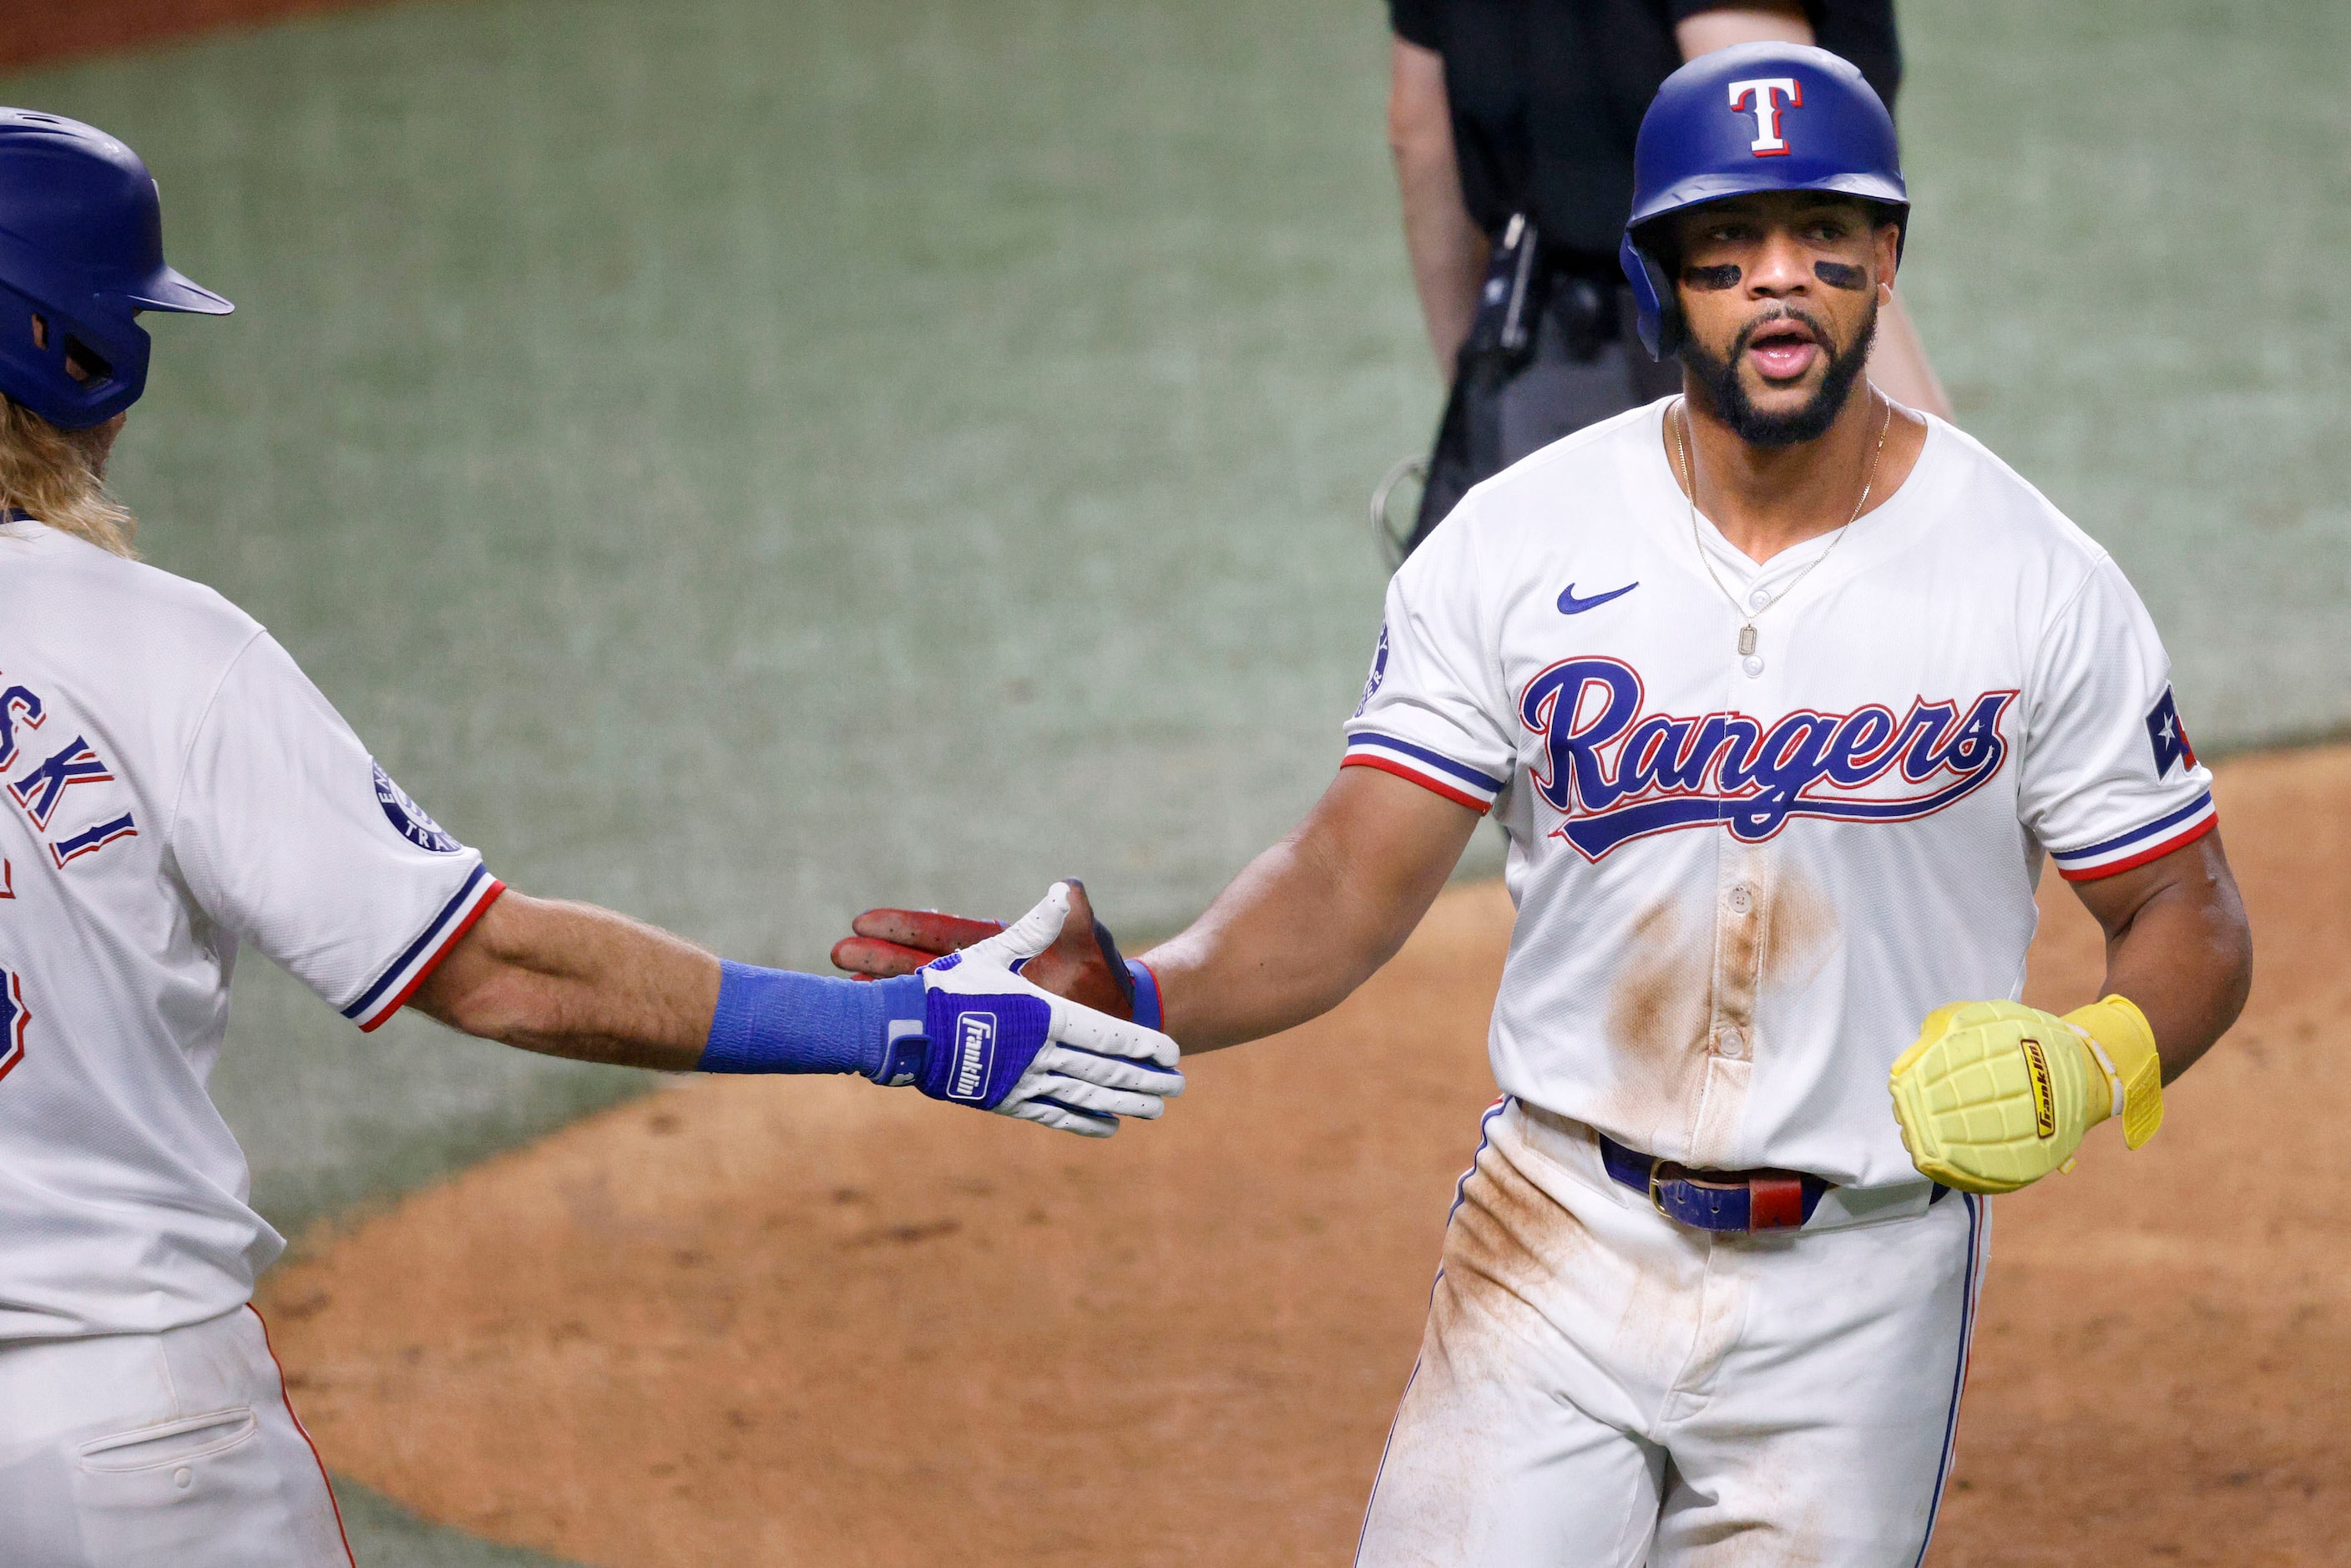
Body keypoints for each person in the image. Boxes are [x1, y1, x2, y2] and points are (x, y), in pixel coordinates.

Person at [838, 43, 2253, 1564]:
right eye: (1728, 247)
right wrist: (1144, 988)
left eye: (1823, 239)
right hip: (1557, 1241)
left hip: (1865, 1283)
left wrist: (2096, 1057)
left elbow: (2188, 907)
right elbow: (1344, 877)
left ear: (1885, 258)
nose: (1780, 284)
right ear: (1659, 277)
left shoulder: (2034, 576)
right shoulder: (1515, 543)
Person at [0, 109, 1181, 1568]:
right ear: (68, 354)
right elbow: (493, 969)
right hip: (122, 1436)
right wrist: (901, 1028)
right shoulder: (160, 649)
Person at [1382, 0, 1951, 555]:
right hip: (1705, 356)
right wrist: (1940, 487)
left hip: (1528, 358)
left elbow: (1419, 130)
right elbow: (1773, 155)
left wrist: (1480, 392)